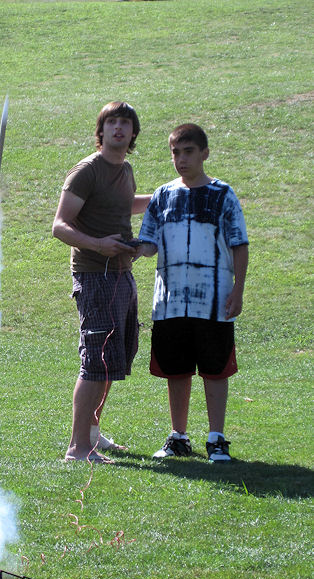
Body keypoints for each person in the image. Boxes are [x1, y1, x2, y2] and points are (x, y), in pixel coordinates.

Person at [137, 123, 249, 463]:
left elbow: (239, 244)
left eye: (188, 152)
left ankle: (217, 439)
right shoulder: (162, 195)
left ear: (204, 153)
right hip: (169, 303)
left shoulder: (223, 194)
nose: (181, 159)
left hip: (214, 300)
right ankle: (178, 437)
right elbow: (148, 245)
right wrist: (123, 246)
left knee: (215, 369)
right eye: (175, 153)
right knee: (176, 370)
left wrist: (238, 290)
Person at [52, 101, 151, 463]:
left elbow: (122, 206)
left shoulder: (125, 170)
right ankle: (78, 448)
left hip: (122, 273)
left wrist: (161, 197)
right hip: (94, 275)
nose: (118, 128)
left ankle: (93, 434)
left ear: (133, 133)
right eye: (112, 122)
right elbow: (59, 226)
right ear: (102, 130)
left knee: (112, 360)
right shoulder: (87, 171)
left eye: (125, 123)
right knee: (95, 361)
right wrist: (98, 245)